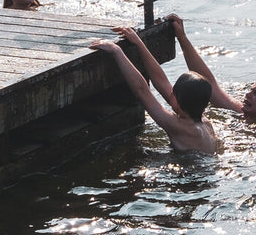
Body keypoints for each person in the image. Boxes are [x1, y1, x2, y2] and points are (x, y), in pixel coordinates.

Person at [165, 13, 256, 130]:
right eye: (251, 90)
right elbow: (209, 82)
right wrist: (182, 37)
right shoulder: (241, 112)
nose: (248, 94)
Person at [92, 25, 220, 153]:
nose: (170, 92)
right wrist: (139, 43)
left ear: (179, 101)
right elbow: (161, 81)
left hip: (190, 171)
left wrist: (117, 51)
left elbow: (142, 91)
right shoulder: (204, 122)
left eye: (173, 92)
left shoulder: (180, 127)